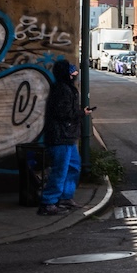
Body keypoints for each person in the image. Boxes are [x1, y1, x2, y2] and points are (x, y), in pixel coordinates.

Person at [38, 59, 90, 216]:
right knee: (60, 170)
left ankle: (65, 197)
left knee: (73, 166)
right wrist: (82, 113)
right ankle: (48, 202)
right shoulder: (62, 90)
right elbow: (63, 113)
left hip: (67, 136)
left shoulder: (65, 88)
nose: (75, 74)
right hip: (61, 136)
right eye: (72, 72)